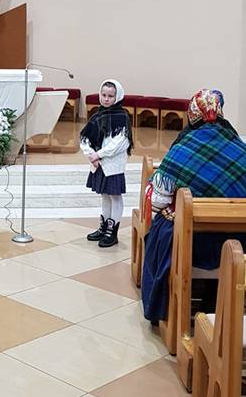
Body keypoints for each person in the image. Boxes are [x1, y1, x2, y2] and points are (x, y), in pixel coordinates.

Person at [141, 89, 246, 323]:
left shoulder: (183, 149)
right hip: (239, 242)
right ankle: (217, 298)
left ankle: (160, 306)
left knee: (162, 228)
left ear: (192, 115)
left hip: (193, 244)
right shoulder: (240, 148)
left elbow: (158, 201)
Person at [80, 79, 133, 248]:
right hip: (98, 165)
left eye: (110, 96)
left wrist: (99, 154)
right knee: (104, 195)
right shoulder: (97, 116)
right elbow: (84, 138)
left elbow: (120, 143)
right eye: (103, 95)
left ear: (118, 96)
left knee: (115, 196)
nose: (106, 99)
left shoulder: (122, 117)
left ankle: (113, 231)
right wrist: (90, 154)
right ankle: (103, 227)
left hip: (113, 165)